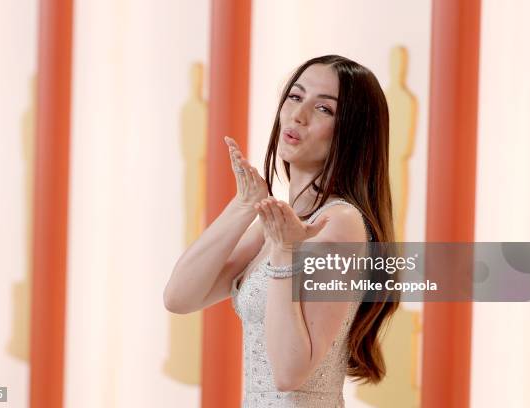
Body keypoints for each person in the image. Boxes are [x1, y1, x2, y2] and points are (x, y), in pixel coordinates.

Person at [164, 55, 399, 407]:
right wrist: (245, 205)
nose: (298, 115)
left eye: (324, 109)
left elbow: (289, 373)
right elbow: (179, 297)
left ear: (351, 132)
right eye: (295, 96)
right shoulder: (278, 224)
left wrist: (285, 255)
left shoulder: (339, 223)